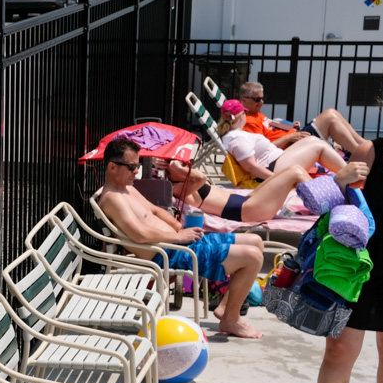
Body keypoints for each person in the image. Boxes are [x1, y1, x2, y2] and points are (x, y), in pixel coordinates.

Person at [97, 137, 267, 338]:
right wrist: (177, 236)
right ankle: (231, 319)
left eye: (138, 165)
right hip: (168, 254)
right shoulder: (112, 199)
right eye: (132, 166)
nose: (137, 171)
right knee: (253, 257)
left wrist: (180, 229)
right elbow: (139, 234)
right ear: (112, 167)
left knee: (256, 241)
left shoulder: (127, 189)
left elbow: (156, 212)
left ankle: (226, 308)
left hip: (177, 243)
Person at [296, 139, 383, 383]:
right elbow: (337, 201)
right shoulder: (371, 151)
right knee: (338, 349)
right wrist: (340, 178)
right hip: (354, 268)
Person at [156, 158, 371, 223]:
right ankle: (329, 203)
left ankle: (327, 196)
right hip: (247, 211)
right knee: (295, 170)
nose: (186, 165)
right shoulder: (178, 190)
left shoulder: (182, 183)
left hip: (245, 200)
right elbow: (200, 177)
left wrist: (179, 168)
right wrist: (177, 169)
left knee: (289, 169)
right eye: (179, 166)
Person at [218, 99, 347, 183]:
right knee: (320, 147)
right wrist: (277, 179)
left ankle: (348, 173)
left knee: (312, 140)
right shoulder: (238, 139)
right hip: (273, 168)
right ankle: (349, 175)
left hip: (275, 160)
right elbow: (251, 167)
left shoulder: (236, 135)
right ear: (241, 116)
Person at [238, 80, 368, 153]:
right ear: (244, 100)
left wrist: (288, 127)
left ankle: (365, 145)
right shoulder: (248, 121)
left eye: (263, 98)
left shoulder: (256, 114)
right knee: (330, 117)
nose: (261, 102)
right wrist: (291, 136)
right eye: (257, 99)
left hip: (296, 138)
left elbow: (270, 132)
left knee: (333, 113)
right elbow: (263, 149)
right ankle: (361, 153)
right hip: (293, 146)